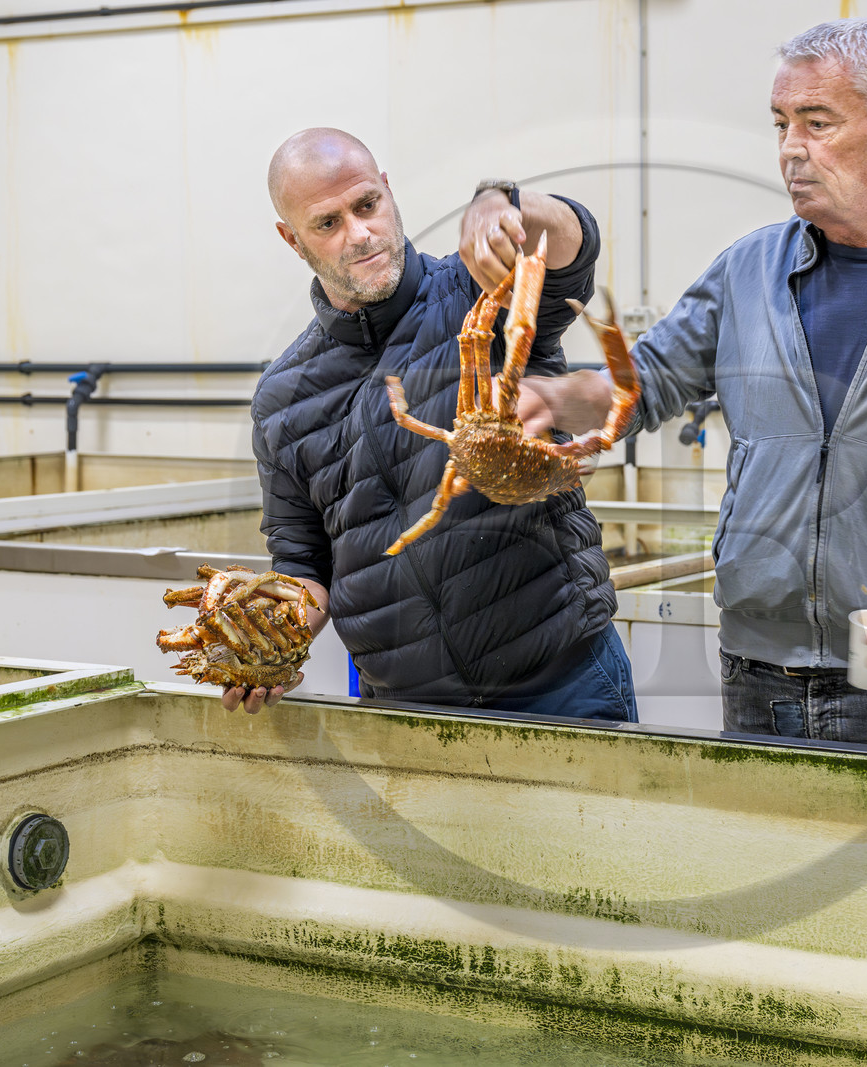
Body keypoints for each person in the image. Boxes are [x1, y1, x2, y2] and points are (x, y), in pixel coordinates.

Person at [520, 20, 867, 753]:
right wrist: (562, 399)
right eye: (782, 123)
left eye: (818, 124)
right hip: (757, 678)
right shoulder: (745, 271)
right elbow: (644, 383)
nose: (790, 149)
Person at [227, 127, 635, 721]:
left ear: (388, 192)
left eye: (367, 205)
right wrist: (270, 639)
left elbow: (573, 247)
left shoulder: (475, 292)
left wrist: (506, 205)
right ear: (293, 240)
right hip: (403, 708)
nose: (359, 233)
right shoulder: (281, 400)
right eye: (328, 223)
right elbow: (302, 563)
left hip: (562, 679)